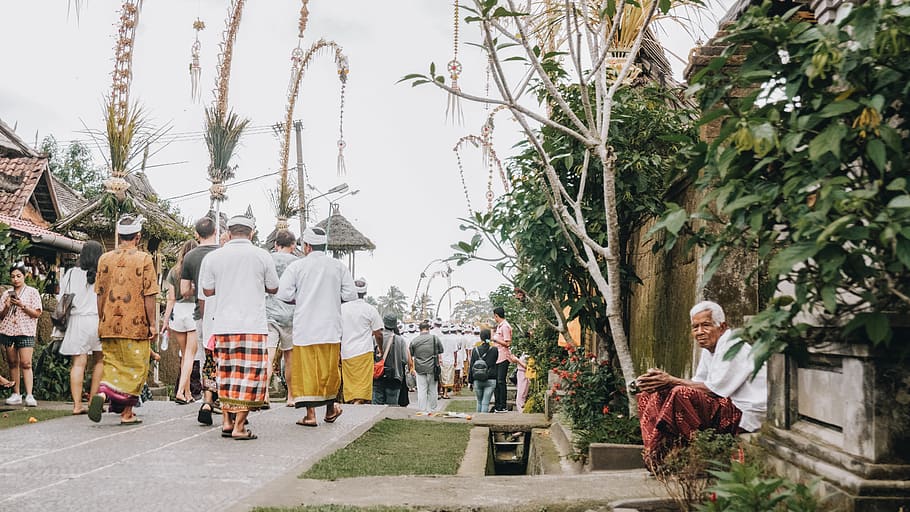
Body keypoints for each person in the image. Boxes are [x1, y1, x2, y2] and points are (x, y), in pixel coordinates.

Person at [636, 301, 768, 466]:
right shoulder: (710, 349)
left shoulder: (732, 346)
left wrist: (670, 380)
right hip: (728, 407)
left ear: (722, 326)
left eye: (706, 325)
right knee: (653, 394)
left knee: (680, 394)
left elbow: (714, 391)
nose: (699, 332)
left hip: (747, 413)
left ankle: (699, 457)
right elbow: (697, 384)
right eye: (695, 327)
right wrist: (659, 382)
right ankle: (657, 458)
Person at [199, 214, 279, 440]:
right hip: (252, 324)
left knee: (226, 373)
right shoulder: (262, 256)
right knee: (249, 376)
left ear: (229, 232)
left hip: (223, 324)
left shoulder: (215, 257)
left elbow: (207, 290)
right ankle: (240, 426)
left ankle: (226, 421)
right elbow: (273, 287)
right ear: (251, 233)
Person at [277, 227, 356, 427]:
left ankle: (310, 415)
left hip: (305, 327)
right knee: (329, 370)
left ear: (307, 246)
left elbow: (283, 294)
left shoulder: (297, 267)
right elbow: (350, 295)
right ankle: (330, 409)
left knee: (306, 372)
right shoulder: (338, 267)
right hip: (330, 327)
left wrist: (300, 299)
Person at [89, 215, 159, 424]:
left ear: (119, 235)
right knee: (136, 367)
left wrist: (102, 318)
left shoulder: (104, 259)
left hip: (109, 322)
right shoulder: (144, 259)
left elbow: (99, 293)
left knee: (112, 364)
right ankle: (126, 413)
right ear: (138, 237)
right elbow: (149, 294)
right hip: (135, 324)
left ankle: (103, 393)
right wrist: (152, 323)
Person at [180, 216, 221, 425]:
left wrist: (198, 288)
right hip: (224, 313)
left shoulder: (190, 257)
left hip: (201, 312)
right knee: (225, 357)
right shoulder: (222, 254)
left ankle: (208, 398)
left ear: (196, 235)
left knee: (207, 357)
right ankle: (221, 397)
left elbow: (184, 290)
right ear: (216, 231)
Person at [57, 241, 104, 415]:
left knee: (78, 363)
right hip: (98, 320)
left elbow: (61, 298)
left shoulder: (71, 274)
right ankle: (93, 399)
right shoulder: (103, 274)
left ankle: (77, 405)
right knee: (100, 360)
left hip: (77, 322)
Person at [161, 239, 198, 405]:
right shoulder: (197, 269)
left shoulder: (174, 272)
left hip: (178, 313)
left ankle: (188, 393)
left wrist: (165, 319)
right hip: (193, 312)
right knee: (190, 355)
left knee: (184, 356)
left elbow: (170, 299)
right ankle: (180, 391)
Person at [1, 262, 43, 407]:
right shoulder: (6, 294)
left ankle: (29, 394)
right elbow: (1, 316)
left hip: (26, 331)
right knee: (12, 363)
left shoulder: (32, 292)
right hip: (8, 331)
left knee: (26, 363)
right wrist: (7, 306)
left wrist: (22, 305)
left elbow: (37, 313)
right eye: (12, 276)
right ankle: (16, 393)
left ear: (24, 276)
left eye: (18, 276)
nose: (15, 279)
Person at [265, 229, 298, 408]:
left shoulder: (268, 259)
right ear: (293, 245)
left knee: (268, 356)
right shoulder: (297, 263)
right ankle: (291, 396)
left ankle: (264, 394)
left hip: (269, 312)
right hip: (290, 316)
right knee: (289, 357)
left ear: (276, 244)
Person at [340, 277, 382, 404]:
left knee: (350, 382)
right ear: (365, 293)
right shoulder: (370, 309)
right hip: (364, 351)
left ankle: (353, 402)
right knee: (363, 383)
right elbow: (378, 333)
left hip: (346, 352)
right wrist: (381, 348)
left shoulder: (342, 308)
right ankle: (359, 402)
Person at [372, 313, 411, 406]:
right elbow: (405, 359)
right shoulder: (400, 340)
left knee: (376, 406)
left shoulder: (374, 338)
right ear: (394, 325)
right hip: (394, 376)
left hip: (378, 376)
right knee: (392, 407)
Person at [408, 320, 444, 412]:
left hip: (419, 367)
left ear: (419, 329)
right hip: (432, 367)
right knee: (432, 388)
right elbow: (441, 350)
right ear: (429, 329)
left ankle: (422, 409)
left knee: (422, 389)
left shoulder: (414, 340)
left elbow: (411, 354)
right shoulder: (435, 339)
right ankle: (432, 408)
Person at [469, 328, 498, 413]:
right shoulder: (494, 350)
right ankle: (483, 419)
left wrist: (470, 381)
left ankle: (478, 419)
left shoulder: (475, 350)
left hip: (477, 378)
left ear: (480, 337)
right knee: (485, 403)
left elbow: (471, 366)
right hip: (490, 378)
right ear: (490, 337)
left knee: (479, 401)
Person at [491, 306, 513, 412]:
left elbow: (508, 343)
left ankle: (502, 405)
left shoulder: (505, 326)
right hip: (497, 357)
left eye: (494, 316)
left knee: (501, 381)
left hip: (503, 357)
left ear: (496, 315)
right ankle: (497, 404)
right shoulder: (499, 326)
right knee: (497, 382)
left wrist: (495, 340)